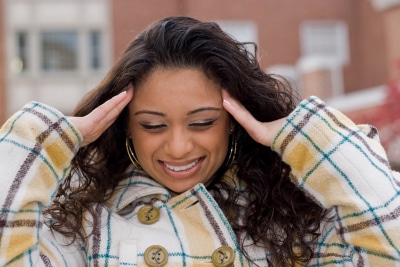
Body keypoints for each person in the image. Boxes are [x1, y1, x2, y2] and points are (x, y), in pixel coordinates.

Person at [0, 16, 399, 267]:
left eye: (202, 122)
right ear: (125, 127)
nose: (177, 148)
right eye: (153, 125)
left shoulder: (293, 222)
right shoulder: (86, 228)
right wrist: (42, 140)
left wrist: (305, 139)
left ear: (234, 121)